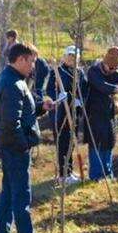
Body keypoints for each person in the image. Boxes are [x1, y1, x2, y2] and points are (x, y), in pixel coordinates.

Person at [0, 42, 55, 233]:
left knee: (9, 191)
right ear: (20, 60)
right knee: (21, 195)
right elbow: (11, 123)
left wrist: (39, 108)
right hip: (14, 148)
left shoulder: (14, 80)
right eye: (32, 61)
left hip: (10, 145)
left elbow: (20, 113)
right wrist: (25, 143)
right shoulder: (12, 84)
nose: (34, 66)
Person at [82, 47, 118, 181]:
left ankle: (108, 172)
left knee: (109, 141)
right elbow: (101, 85)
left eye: (114, 68)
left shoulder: (113, 71)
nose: (111, 70)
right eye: (110, 67)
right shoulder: (94, 71)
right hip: (94, 113)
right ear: (104, 63)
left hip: (108, 113)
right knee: (97, 142)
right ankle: (96, 175)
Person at [46, 46, 87, 184]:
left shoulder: (80, 72)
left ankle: (69, 172)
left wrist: (80, 101)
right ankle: (63, 175)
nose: (72, 59)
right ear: (64, 57)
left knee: (71, 142)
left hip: (74, 113)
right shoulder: (57, 71)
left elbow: (85, 90)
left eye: (74, 56)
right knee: (62, 143)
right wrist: (59, 97)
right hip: (60, 114)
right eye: (69, 56)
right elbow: (50, 90)